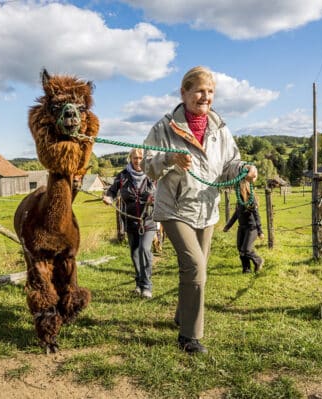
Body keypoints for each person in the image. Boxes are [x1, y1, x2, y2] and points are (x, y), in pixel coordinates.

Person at [142, 66, 257, 354]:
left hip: (207, 209)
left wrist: (244, 169)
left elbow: (230, 162)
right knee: (195, 266)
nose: (205, 97)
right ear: (184, 92)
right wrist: (169, 158)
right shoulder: (164, 127)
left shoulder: (219, 128)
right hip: (174, 209)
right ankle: (189, 337)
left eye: (210, 92)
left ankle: (182, 316)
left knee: (198, 269)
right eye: (199, 91)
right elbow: (148, 166)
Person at [103, 148, 157, 299]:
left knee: (144, 250)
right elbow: (112, 191)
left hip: (148, 220)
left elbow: (162, 192)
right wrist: (109, 197)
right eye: (135, 158)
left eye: (141, 157)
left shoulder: (152, 175)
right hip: (130, 221)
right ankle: (139, 283)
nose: (138, 161)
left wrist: (155, 198)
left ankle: (147, 286)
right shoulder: (123, 176)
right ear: (130, 159)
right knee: (134, 253)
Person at [222, 179, 265, 273]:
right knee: (240, 248)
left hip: (251, 228)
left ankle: (258, 260)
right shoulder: (239, 200)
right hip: (242, 228)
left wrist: (260, 231)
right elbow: (236, 214)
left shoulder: (251, 199)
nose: (236, 190)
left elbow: (257, 216)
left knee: (246, 249)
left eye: (238, 188)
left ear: (244, 188)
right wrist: (228, 226)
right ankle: (246, 269)